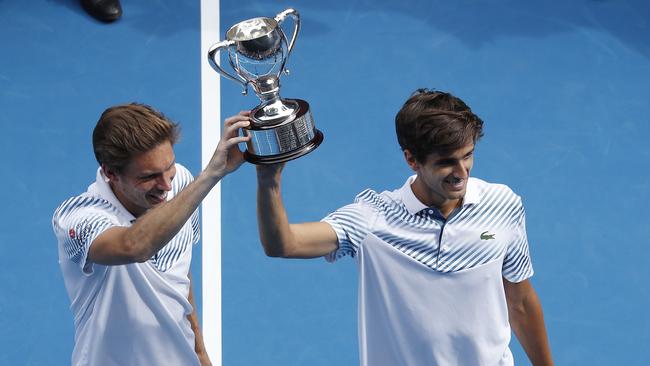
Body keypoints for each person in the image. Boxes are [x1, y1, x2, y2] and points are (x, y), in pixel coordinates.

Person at [254, 89, 553, 365]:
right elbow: (284, 244)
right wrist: (269, 179)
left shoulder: (503, 205)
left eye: (468, 155)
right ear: (412, 159)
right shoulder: (371, 219)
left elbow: (521, 302)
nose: (462, 173)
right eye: (447, 162)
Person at [52, 104, 251, 365]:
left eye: (169, 166)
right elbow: (134, 245)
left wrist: (200, 353)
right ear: (110, 173)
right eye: (149, 177)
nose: (166, 186)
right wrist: (212, 174)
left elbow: (180, 273)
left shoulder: (181, 182)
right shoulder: (78, 217)